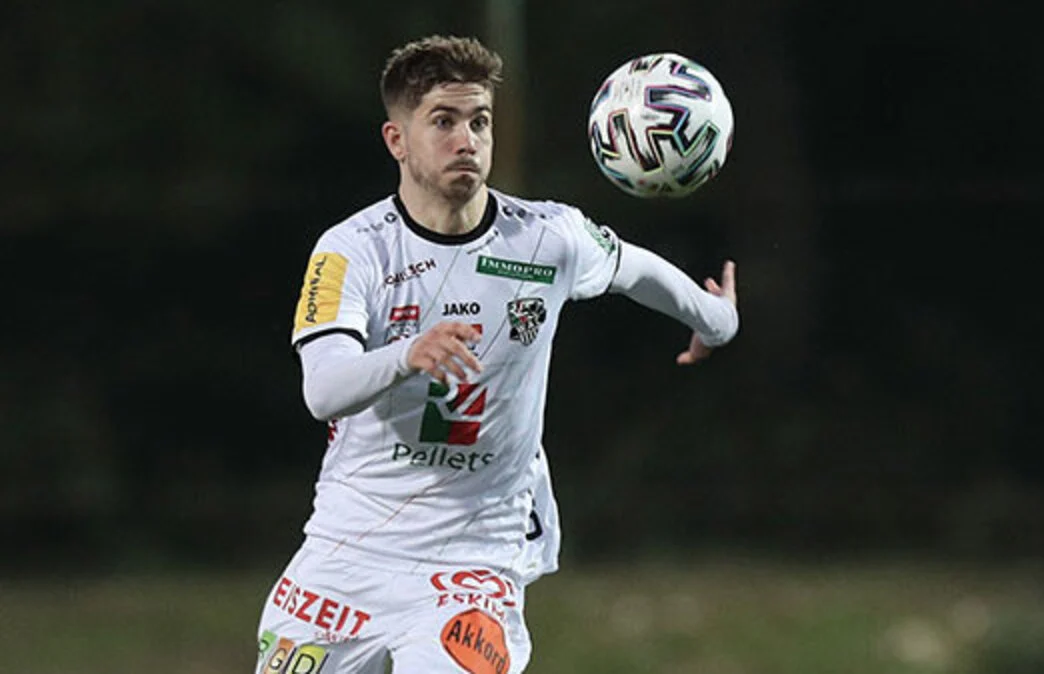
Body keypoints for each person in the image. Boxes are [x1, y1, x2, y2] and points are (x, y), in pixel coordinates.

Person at [254, 35, 738, 674]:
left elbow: (635, 269)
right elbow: (323, 390)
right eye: (443, 121)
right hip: (349, 550)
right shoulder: (352, 250)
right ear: (397, 140)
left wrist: (717, 320)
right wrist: (407, 354)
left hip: (474, 558)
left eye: (479, 121)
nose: (467, 140)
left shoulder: (546, 238)